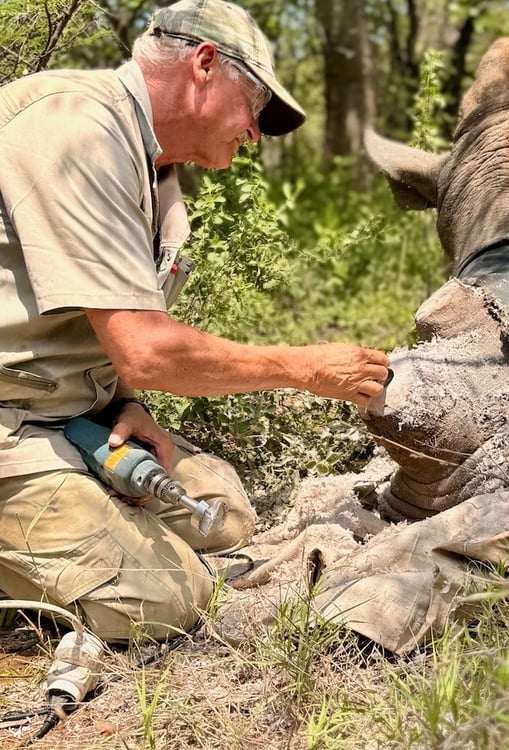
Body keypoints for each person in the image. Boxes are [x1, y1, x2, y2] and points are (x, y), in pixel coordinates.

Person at [0, 0, 390, 644]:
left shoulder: (153, 171)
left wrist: (124, 406)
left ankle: (79, 531)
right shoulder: (75, 127)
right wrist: (305, 368)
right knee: (167, 596)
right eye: (254, 109)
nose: (255, 135)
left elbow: (102, 330)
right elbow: (148, 350)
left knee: (225, 514)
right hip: (12, 422)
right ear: (205, 65)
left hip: (67, 416)